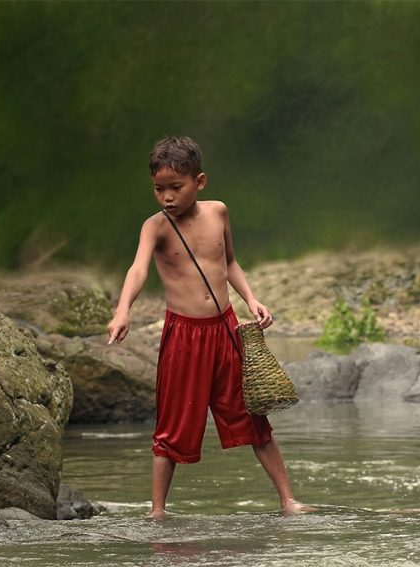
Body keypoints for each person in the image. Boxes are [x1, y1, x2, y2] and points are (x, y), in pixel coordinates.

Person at [107, 136, 307, 518]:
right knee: (172, 423)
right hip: (183, 335)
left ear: (199, 182)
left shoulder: (218, 212)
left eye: (175, 188)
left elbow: (229, 262)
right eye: (158, 189)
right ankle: (158, 510)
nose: (167, 197)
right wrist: (122, 310)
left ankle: (288, 500)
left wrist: (251, 299)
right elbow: (138, 269)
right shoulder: (156, 227)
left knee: (253, 416)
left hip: (225, 330)